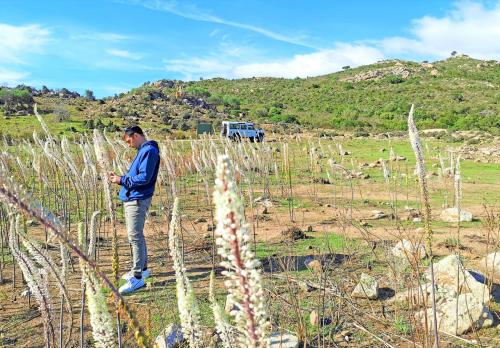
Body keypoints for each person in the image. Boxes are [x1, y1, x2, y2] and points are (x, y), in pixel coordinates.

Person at [109, 126, 160, 295]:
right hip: (133, 197)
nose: (129, 145)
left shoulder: (149, 151)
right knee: (136, 235)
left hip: (138, 199)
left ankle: (138, 278)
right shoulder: (144, 150)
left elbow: (144, 177)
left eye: (129, 141)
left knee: (134, 236)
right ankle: (143, 269)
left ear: (136, 135)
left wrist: (121, 179)